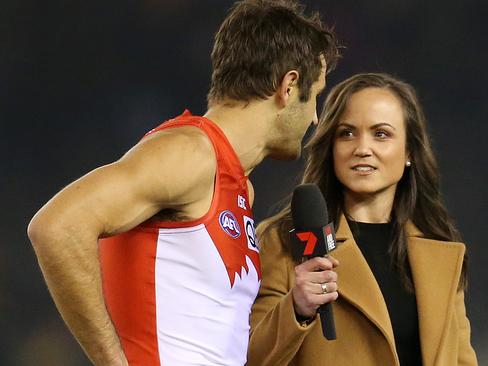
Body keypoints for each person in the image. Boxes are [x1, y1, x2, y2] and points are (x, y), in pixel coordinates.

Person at [26, 1, 339, 365]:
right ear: (289, 85)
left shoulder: (237, 185)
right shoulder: (190, 153)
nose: (316, 118)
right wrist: (112, 361)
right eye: (315, 97)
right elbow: (56, 227)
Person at [248, 73, 478, 366]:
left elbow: (461, 359)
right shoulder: (283, 242)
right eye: (347, 133)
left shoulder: (440, 249)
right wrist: (296, 308)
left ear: (409, 151)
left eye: (381, 134)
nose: (362, 148)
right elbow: (247, 357)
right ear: (330, 146)